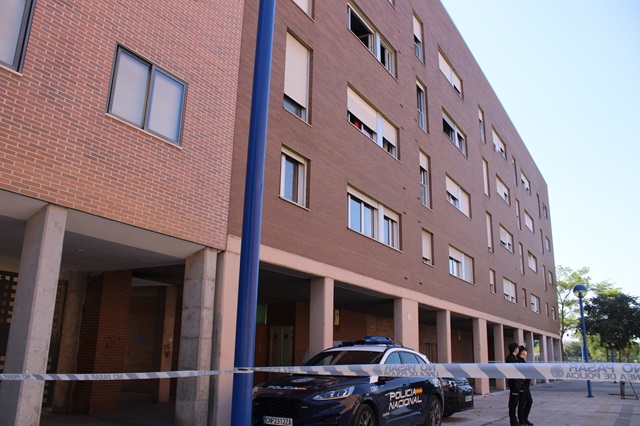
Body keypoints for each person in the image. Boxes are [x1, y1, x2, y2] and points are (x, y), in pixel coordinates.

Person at [506, 342, 522, 426]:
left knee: (515, 402)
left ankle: (515, 420)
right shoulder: (510, 358)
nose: (519, 349)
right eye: (518, 348)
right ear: (515, 349)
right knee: (513, 403)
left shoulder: (516, 358)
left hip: (517, 383)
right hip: (514, 383)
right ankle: (513, 421)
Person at [517, 346, 534, 426]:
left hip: (526, 384)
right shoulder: (518, 361)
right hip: (521, 384)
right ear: (521, 351)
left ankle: (525, 418)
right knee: (522, 402)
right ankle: (521, 420)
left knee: (529, 401)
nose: (526, 352)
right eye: (525, 351)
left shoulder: (523, 360)